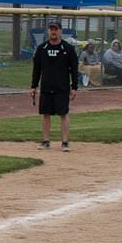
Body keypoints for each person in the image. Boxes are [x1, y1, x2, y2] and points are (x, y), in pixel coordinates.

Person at [29, 22, 78, 152]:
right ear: (48, 32)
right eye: (51, 30)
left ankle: (65, 142)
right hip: (46, 86)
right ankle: (45, 141)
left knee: (64, 113)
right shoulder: (42, 48)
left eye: (56, 29)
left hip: (62, 87)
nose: (53, 32)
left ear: (60, 31)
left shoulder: (67, 48)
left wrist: (74, 87)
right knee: (46, 114)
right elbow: (37, 69)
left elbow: (74, 69)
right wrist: (34, 86)